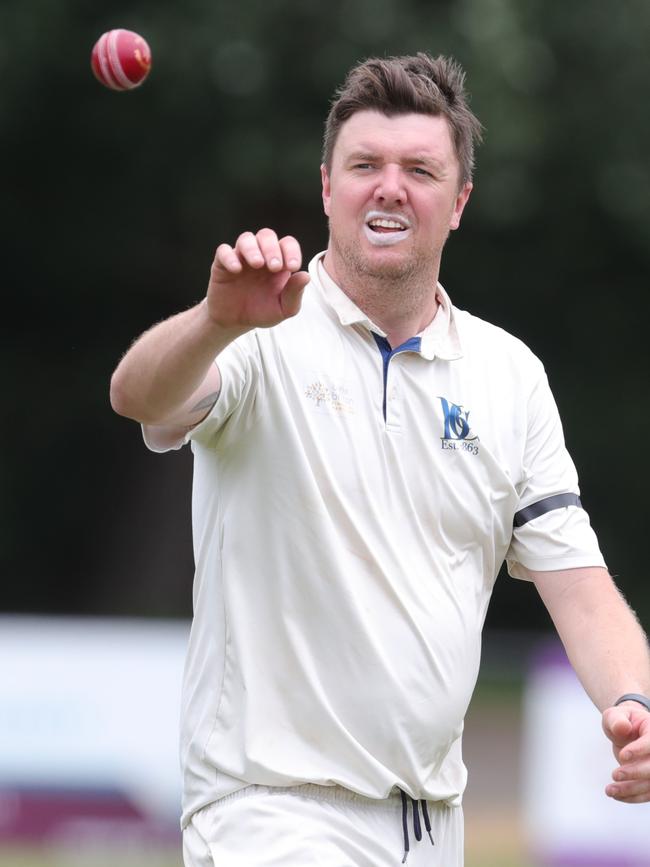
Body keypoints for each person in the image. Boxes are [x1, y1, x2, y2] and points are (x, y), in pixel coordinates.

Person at [110, 53, 650, 867]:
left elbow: (580, 588)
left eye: (420, 169)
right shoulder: (264, 333)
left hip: (432, 823)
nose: (389, 186)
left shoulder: (509, 375)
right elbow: (138, 395)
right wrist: (217, 322)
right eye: (365, 165)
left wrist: (634, 701)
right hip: (270, 813)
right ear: (328, 187)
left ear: (459, 203)